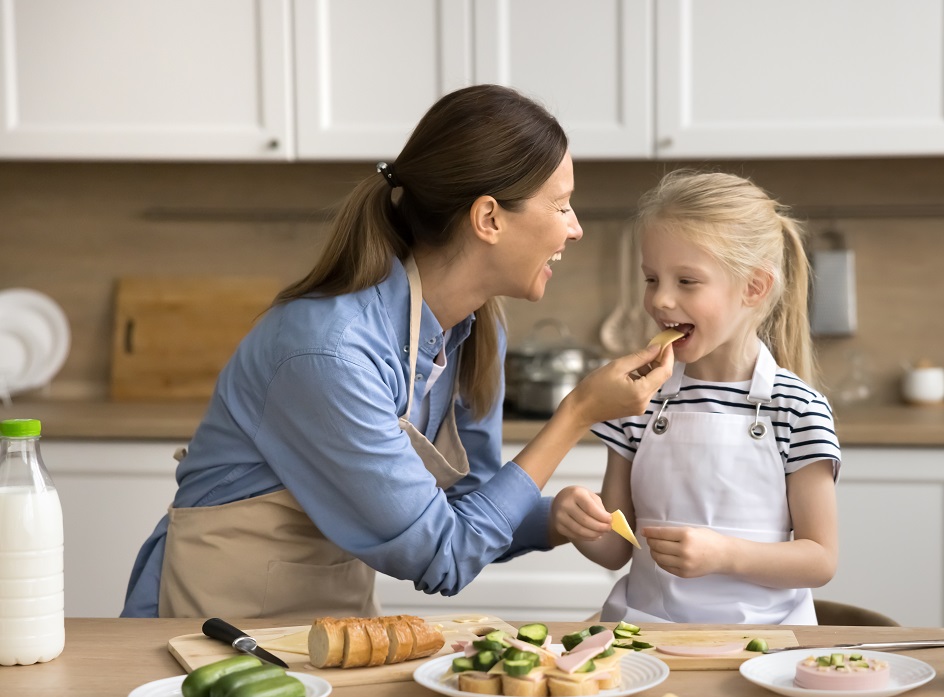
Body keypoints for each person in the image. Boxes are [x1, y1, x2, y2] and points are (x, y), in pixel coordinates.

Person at [121, 85, 673, 618]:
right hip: (214, 622)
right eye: (562, 206)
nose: (575, 229)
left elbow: (471, 506)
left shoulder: (476, 329)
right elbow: (443, 556)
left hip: (330, 622)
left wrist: (552, 520)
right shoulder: (329, 355)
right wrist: (576, 414)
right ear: (489, 219)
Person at [550, 169, 840, 625]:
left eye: (687, 281)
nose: (661, 300)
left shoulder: (797, 410)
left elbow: (820, 559)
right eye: (651, 279)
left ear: (753, 288)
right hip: (644, 636)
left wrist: (725, 554)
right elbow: (615, 550)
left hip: (763, 647)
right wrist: (578, 520)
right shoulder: (638, 401)